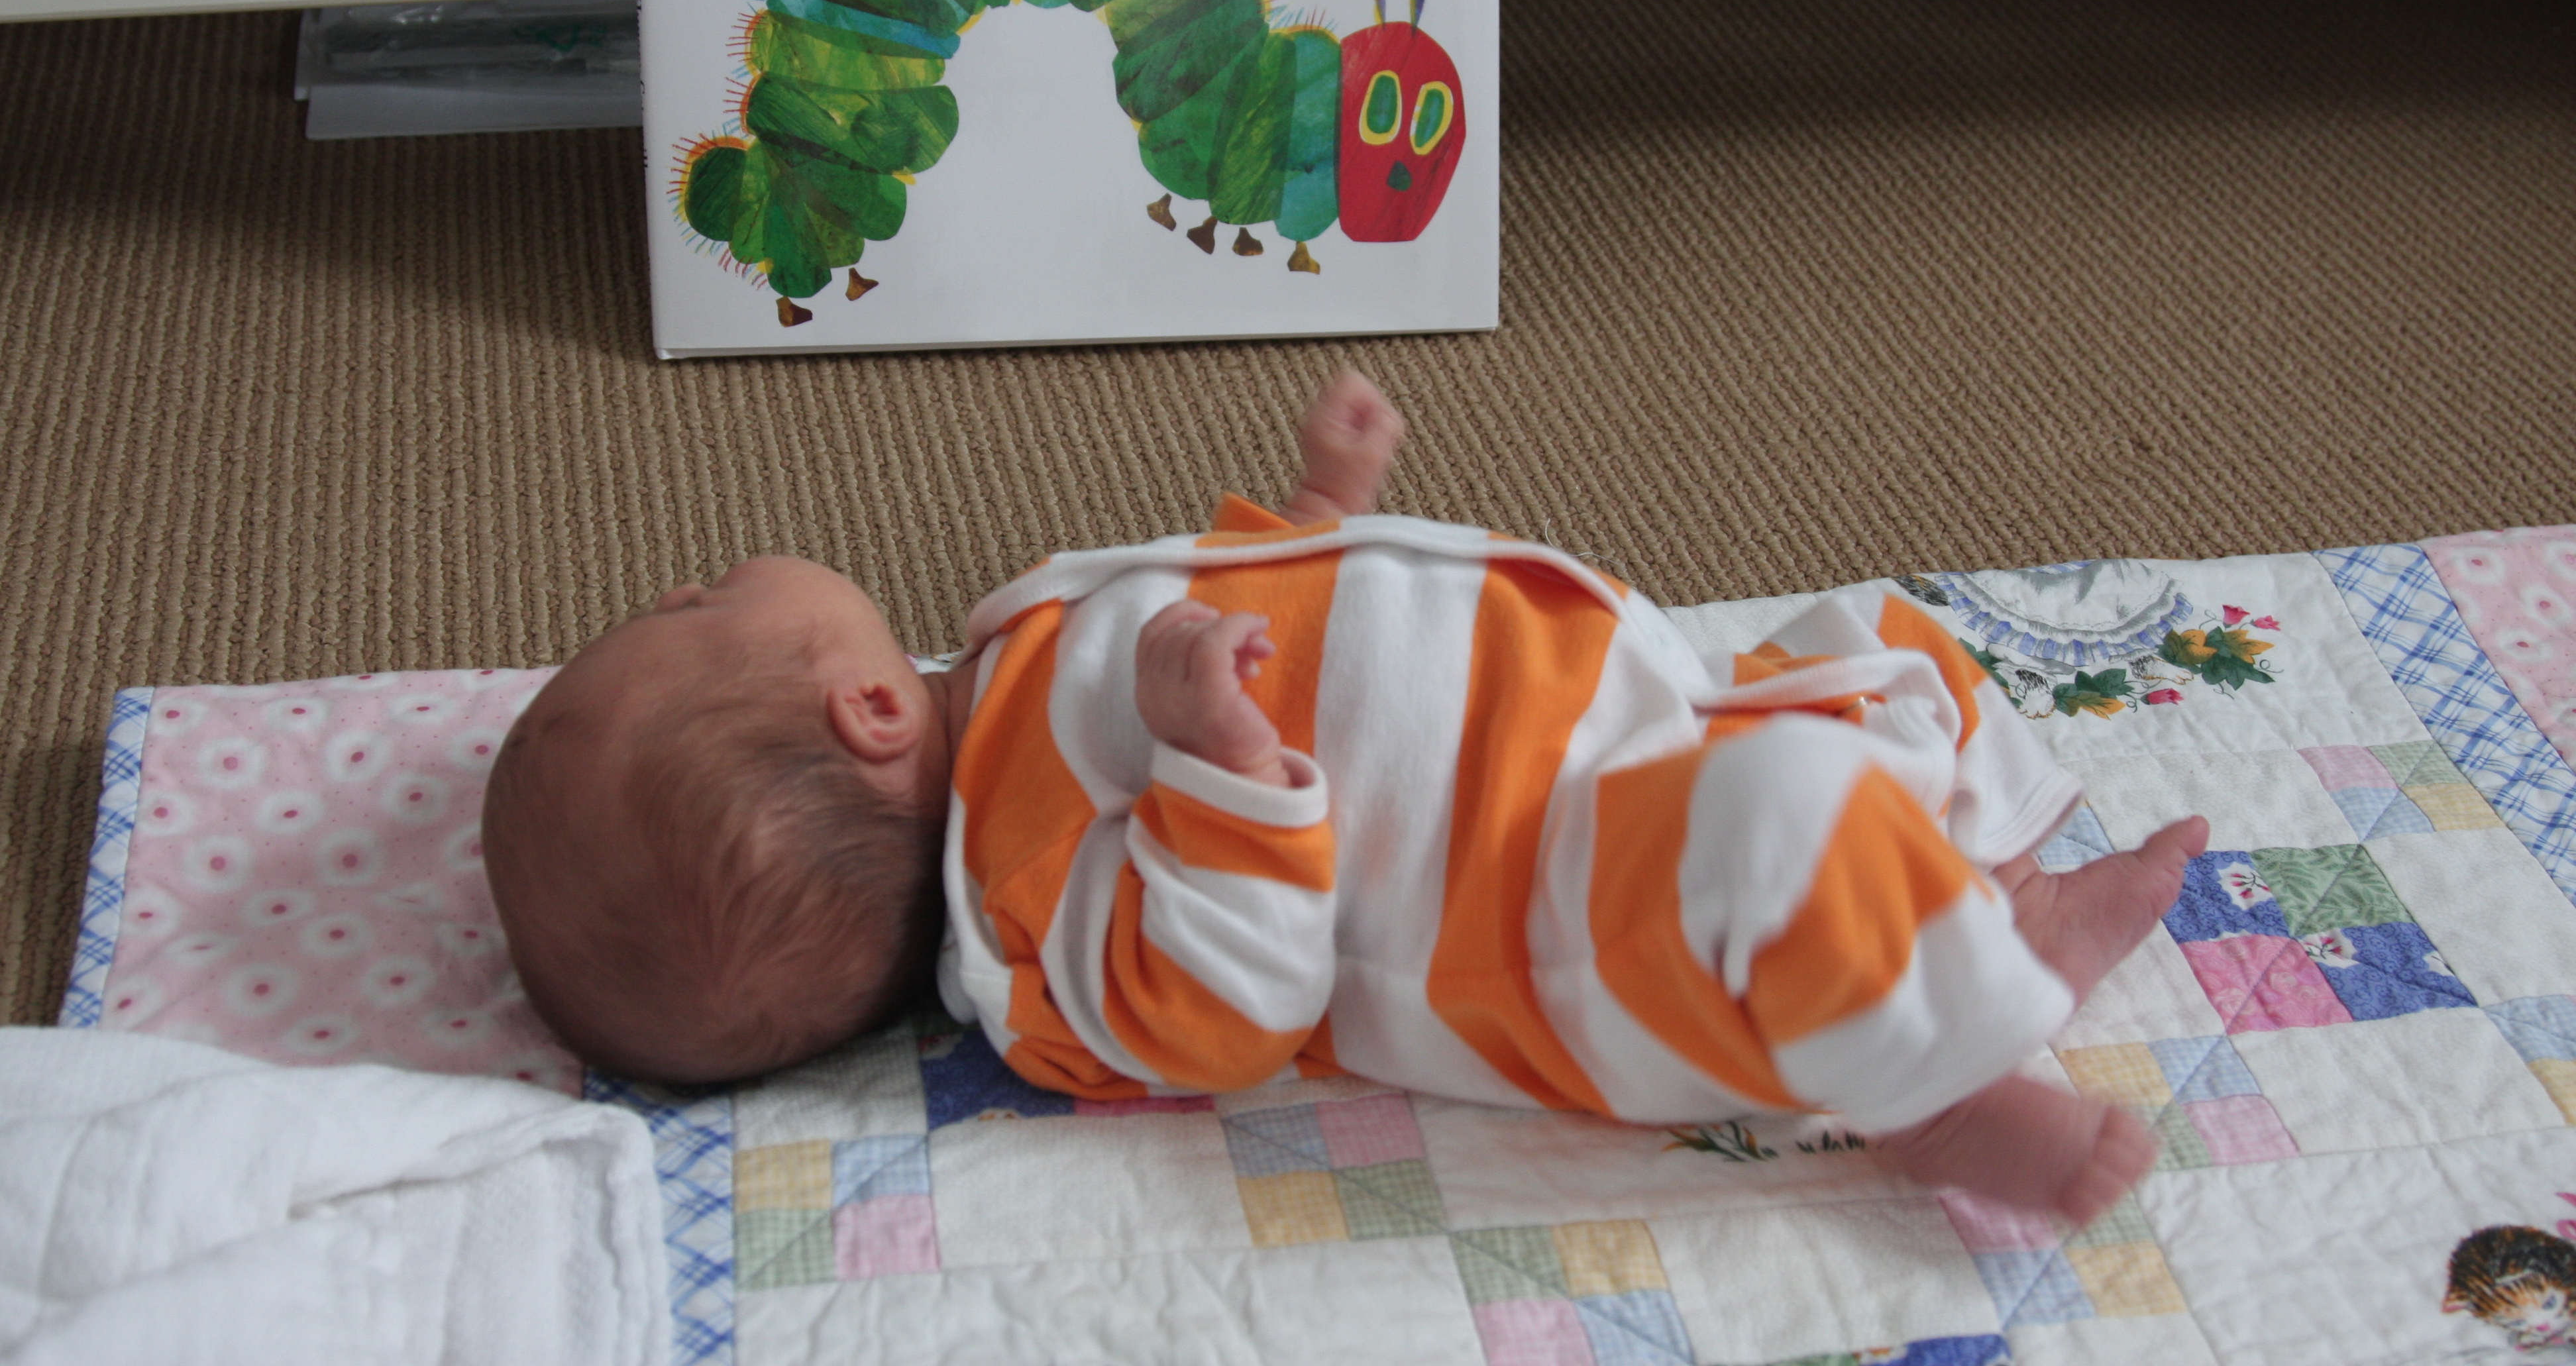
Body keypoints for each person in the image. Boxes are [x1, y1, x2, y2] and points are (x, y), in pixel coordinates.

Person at [481, 372, 2204, 1223]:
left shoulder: (1014, 657)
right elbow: (1226, 1009)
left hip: (1626, 725)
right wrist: (1221, 769)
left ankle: (1986, 914)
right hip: (1574, 913)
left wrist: (1323, 507)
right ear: (866, 710)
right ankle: (1934, 1093)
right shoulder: (1016, 917)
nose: (696, 579)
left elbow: (1283, 626)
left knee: (1878, 650)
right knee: (1789, 813)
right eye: (692, 610)